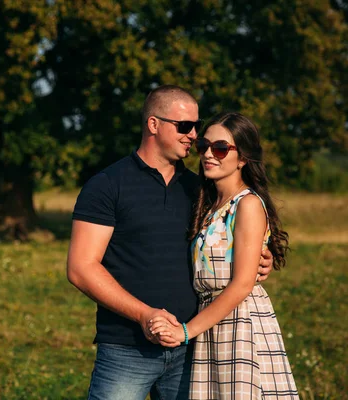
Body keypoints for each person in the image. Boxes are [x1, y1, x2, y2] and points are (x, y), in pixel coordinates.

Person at [67, 86, 274, 400]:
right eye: (185, 126)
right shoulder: (107, 185)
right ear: (153, 125)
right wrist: (144, 315)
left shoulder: (200, 189)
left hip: (195, 349)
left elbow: (226, 237)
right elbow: (81, 268)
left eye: (196, 127)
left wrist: (260, 256)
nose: (193, 135)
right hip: (126, 348)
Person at [149, 112, 299, 399]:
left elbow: (242, 284)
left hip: (239, 323)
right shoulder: (210, 204)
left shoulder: (248, 204)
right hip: (211, 326)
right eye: (204, 145)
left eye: (219, 148)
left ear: (242, 158)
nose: (208, 154)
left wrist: (185, 331)